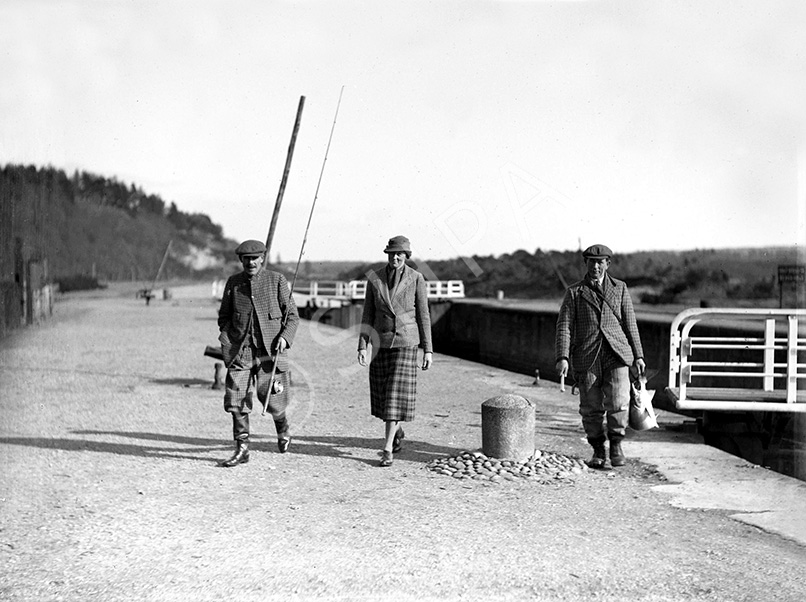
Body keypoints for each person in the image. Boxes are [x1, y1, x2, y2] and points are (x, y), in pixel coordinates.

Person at [554, 244, 646, 469]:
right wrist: (563, 357)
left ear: (608, 264)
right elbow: (564, 326)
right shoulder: (575, 292)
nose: (596, 266)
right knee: (590, 407)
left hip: (617, 354)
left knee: (619, 402)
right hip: (587, 355)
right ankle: (598, 449)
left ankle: (616, 446)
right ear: (586, 263)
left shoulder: (620, 288)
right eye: (591, 262)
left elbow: (630, 324)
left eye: (600, 262)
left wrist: (639, 356)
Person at [217, 239, 299, 467]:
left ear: (263, 258)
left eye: (254, 258)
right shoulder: (234, 283)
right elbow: (223, 316)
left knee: (273, 399)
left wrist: (285, 337)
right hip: (240, 351)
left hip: (270, 353)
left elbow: (292, 315)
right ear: (240, 260)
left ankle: (282, 429)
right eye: (246, 259)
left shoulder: (277, 280)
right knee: (236, 399)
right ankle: (242, 448)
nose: (250, 263)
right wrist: (227, 336)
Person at [357, 235, 433, 467]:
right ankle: (396, 431)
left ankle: (387, 448)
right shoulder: (375, 279)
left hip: (406, 342)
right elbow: (368, 314)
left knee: (393, 396)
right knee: (382, 395)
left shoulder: (416, 278)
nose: (395, 257)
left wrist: (427, 349)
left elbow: (423, 315)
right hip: (381, 343)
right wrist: (362, 345)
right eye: (391, 253)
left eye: (400, 253)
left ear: (407, 256)